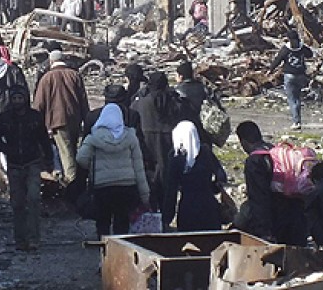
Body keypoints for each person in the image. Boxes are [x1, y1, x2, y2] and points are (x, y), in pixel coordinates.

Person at [0, 87, 54, 251]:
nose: (17, 101)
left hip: (32, 162)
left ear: (25, 99)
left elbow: (44, 140)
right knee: (17, 203)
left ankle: (34, 239)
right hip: (14, 164)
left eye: (20, 98)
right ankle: (20, 240)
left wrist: (48, 159)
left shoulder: (35, 117)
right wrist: (7, 149)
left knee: (33, 200)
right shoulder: (5, 117)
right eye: (15, 98)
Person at [76, 103, 150, 239]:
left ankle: (104, 249)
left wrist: (92, 166)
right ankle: (120, 250)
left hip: (102, 187)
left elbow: (81, 159)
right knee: (122, 221)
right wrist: (145, 195)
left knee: (103, 220)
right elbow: (139, 168)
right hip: (127, 187)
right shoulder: (131, 137)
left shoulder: (93, 138)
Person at [233, 120, 308, 245]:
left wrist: (263, 232)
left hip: (275, 221)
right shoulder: (276, 152)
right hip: (297, 218)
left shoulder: (255, 161)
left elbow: (259, 199)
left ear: (243, 142)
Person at [32, 50, 90, 185]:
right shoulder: (75, 75)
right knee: (72, 150)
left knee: (66, 154)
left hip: (57, 121)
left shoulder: (47, 78)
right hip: (75, 119)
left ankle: (72, 184)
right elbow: (83, 101)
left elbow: (39, 104)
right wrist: (86, 119)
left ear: (51, 61)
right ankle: (74, 181)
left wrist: (36, 122)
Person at [131, 72, 185, 210]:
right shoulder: (174, 102)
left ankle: (151, 212)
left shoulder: (141, 103)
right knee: (168, 184)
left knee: (149, 182)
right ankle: (166, 217)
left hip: (146, 146)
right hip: (168, 146)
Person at [163, 121, 228, 232]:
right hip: (209, 207)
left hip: (188, 208)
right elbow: (221, 176)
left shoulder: (176, 157)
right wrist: (211, 188)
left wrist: (167, 218)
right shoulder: (206, 151)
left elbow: (171, 191)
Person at [270, 30, 313, 129]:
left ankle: (296, 122)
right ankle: (298, 120)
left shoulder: (286, 49)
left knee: (291, 99)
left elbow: (278, 60)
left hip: (289, 75)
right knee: (297, 98)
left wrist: (270, 69)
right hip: (301, 75)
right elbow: (310, 54)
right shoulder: (302, 47)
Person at [83, 84, 144, 148]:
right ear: (124, 99)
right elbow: (139, 142)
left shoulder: (92, 116)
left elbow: (85, 145)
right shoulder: (132, 115)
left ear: (106, 98)